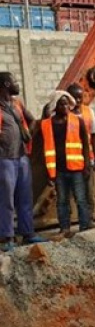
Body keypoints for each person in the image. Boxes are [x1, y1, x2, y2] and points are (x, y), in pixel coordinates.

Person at [0, 72, 46, 250]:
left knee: (25, 198)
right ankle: (6, 237)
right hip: (5, 160)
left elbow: (32, 120)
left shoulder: (16, 104)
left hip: (21, 158)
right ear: (5, 84)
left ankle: (28, 233)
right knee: (6, 200)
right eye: (14, 82)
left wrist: (28, 134)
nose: (17, 84)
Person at [40, 91, 91, 237]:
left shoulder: (77, 120)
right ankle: (64, 228)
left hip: (76, 167)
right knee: (62, 201)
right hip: (58, 170)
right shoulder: (47, 124)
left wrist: (87, 165)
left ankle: (84, 226)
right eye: (62, 103)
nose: (65, 106)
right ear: (55, 106)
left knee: (80, 198)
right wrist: (49, 173)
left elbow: (86, 144)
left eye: (67, 103)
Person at [66, 83, 95, 227]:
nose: (78, 101)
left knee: (88, 193)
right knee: (68, 195)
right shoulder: (63, 114)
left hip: (87, 159)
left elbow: (93, 137)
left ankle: (88, 220)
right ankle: (67, 222)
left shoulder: (88, 112)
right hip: (69, 161)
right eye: (74, 98)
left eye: (80, 97)